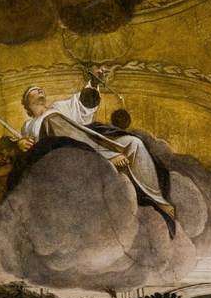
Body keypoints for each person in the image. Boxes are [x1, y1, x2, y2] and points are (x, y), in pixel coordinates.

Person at [19, 79, 175, 222]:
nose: (40, 91)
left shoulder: (57, 108)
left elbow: (80, 106)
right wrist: (20, 144)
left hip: (92, 139)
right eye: (34, 90)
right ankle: (106, 157)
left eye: (41, 89)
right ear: (27, 103)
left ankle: (158, 199)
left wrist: (93, 84)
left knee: (134, 143)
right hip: (68, 152)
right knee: (52, 120)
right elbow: (29, 150)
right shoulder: (28, 125)